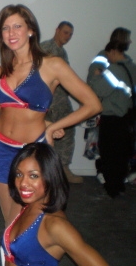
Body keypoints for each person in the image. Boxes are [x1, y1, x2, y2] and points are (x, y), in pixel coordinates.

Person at [0, 4, 102, 225]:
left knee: (26, 218)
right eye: (5, 28)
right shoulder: (4, 67)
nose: (11, 33)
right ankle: (9, 257)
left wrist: (50, 127)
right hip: (0, 147)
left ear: (30, 29)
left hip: (32, 151)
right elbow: (5, 108)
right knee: (9, 220)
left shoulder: (52, 64)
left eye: (17, 26)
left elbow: (93, 104)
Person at [2, 142, 109, 266]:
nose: (22, 183)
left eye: (33, 176)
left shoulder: (56, 226)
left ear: (50, 177)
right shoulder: (28, 206)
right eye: (19, 174)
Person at [87, 27, 135, 198]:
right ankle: (119, 185)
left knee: (109, 153)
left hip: (111, 118)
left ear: (113, 51)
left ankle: (112, 187)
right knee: (121, 154)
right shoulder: (131, 66)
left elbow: (97, 88)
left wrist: (99, 75)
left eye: (109, 55)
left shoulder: (113, 70)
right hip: (125, 118)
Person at [41, 21, 83, 183]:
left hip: (61, 101)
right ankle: (47, 172)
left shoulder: (62, 52)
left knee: (67, 134)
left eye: (70, 34)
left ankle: (63, 168)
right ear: (57, 30)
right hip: (49, 102)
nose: (68, 37)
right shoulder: (46, 49)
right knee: (46, 135)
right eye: (65, 32)